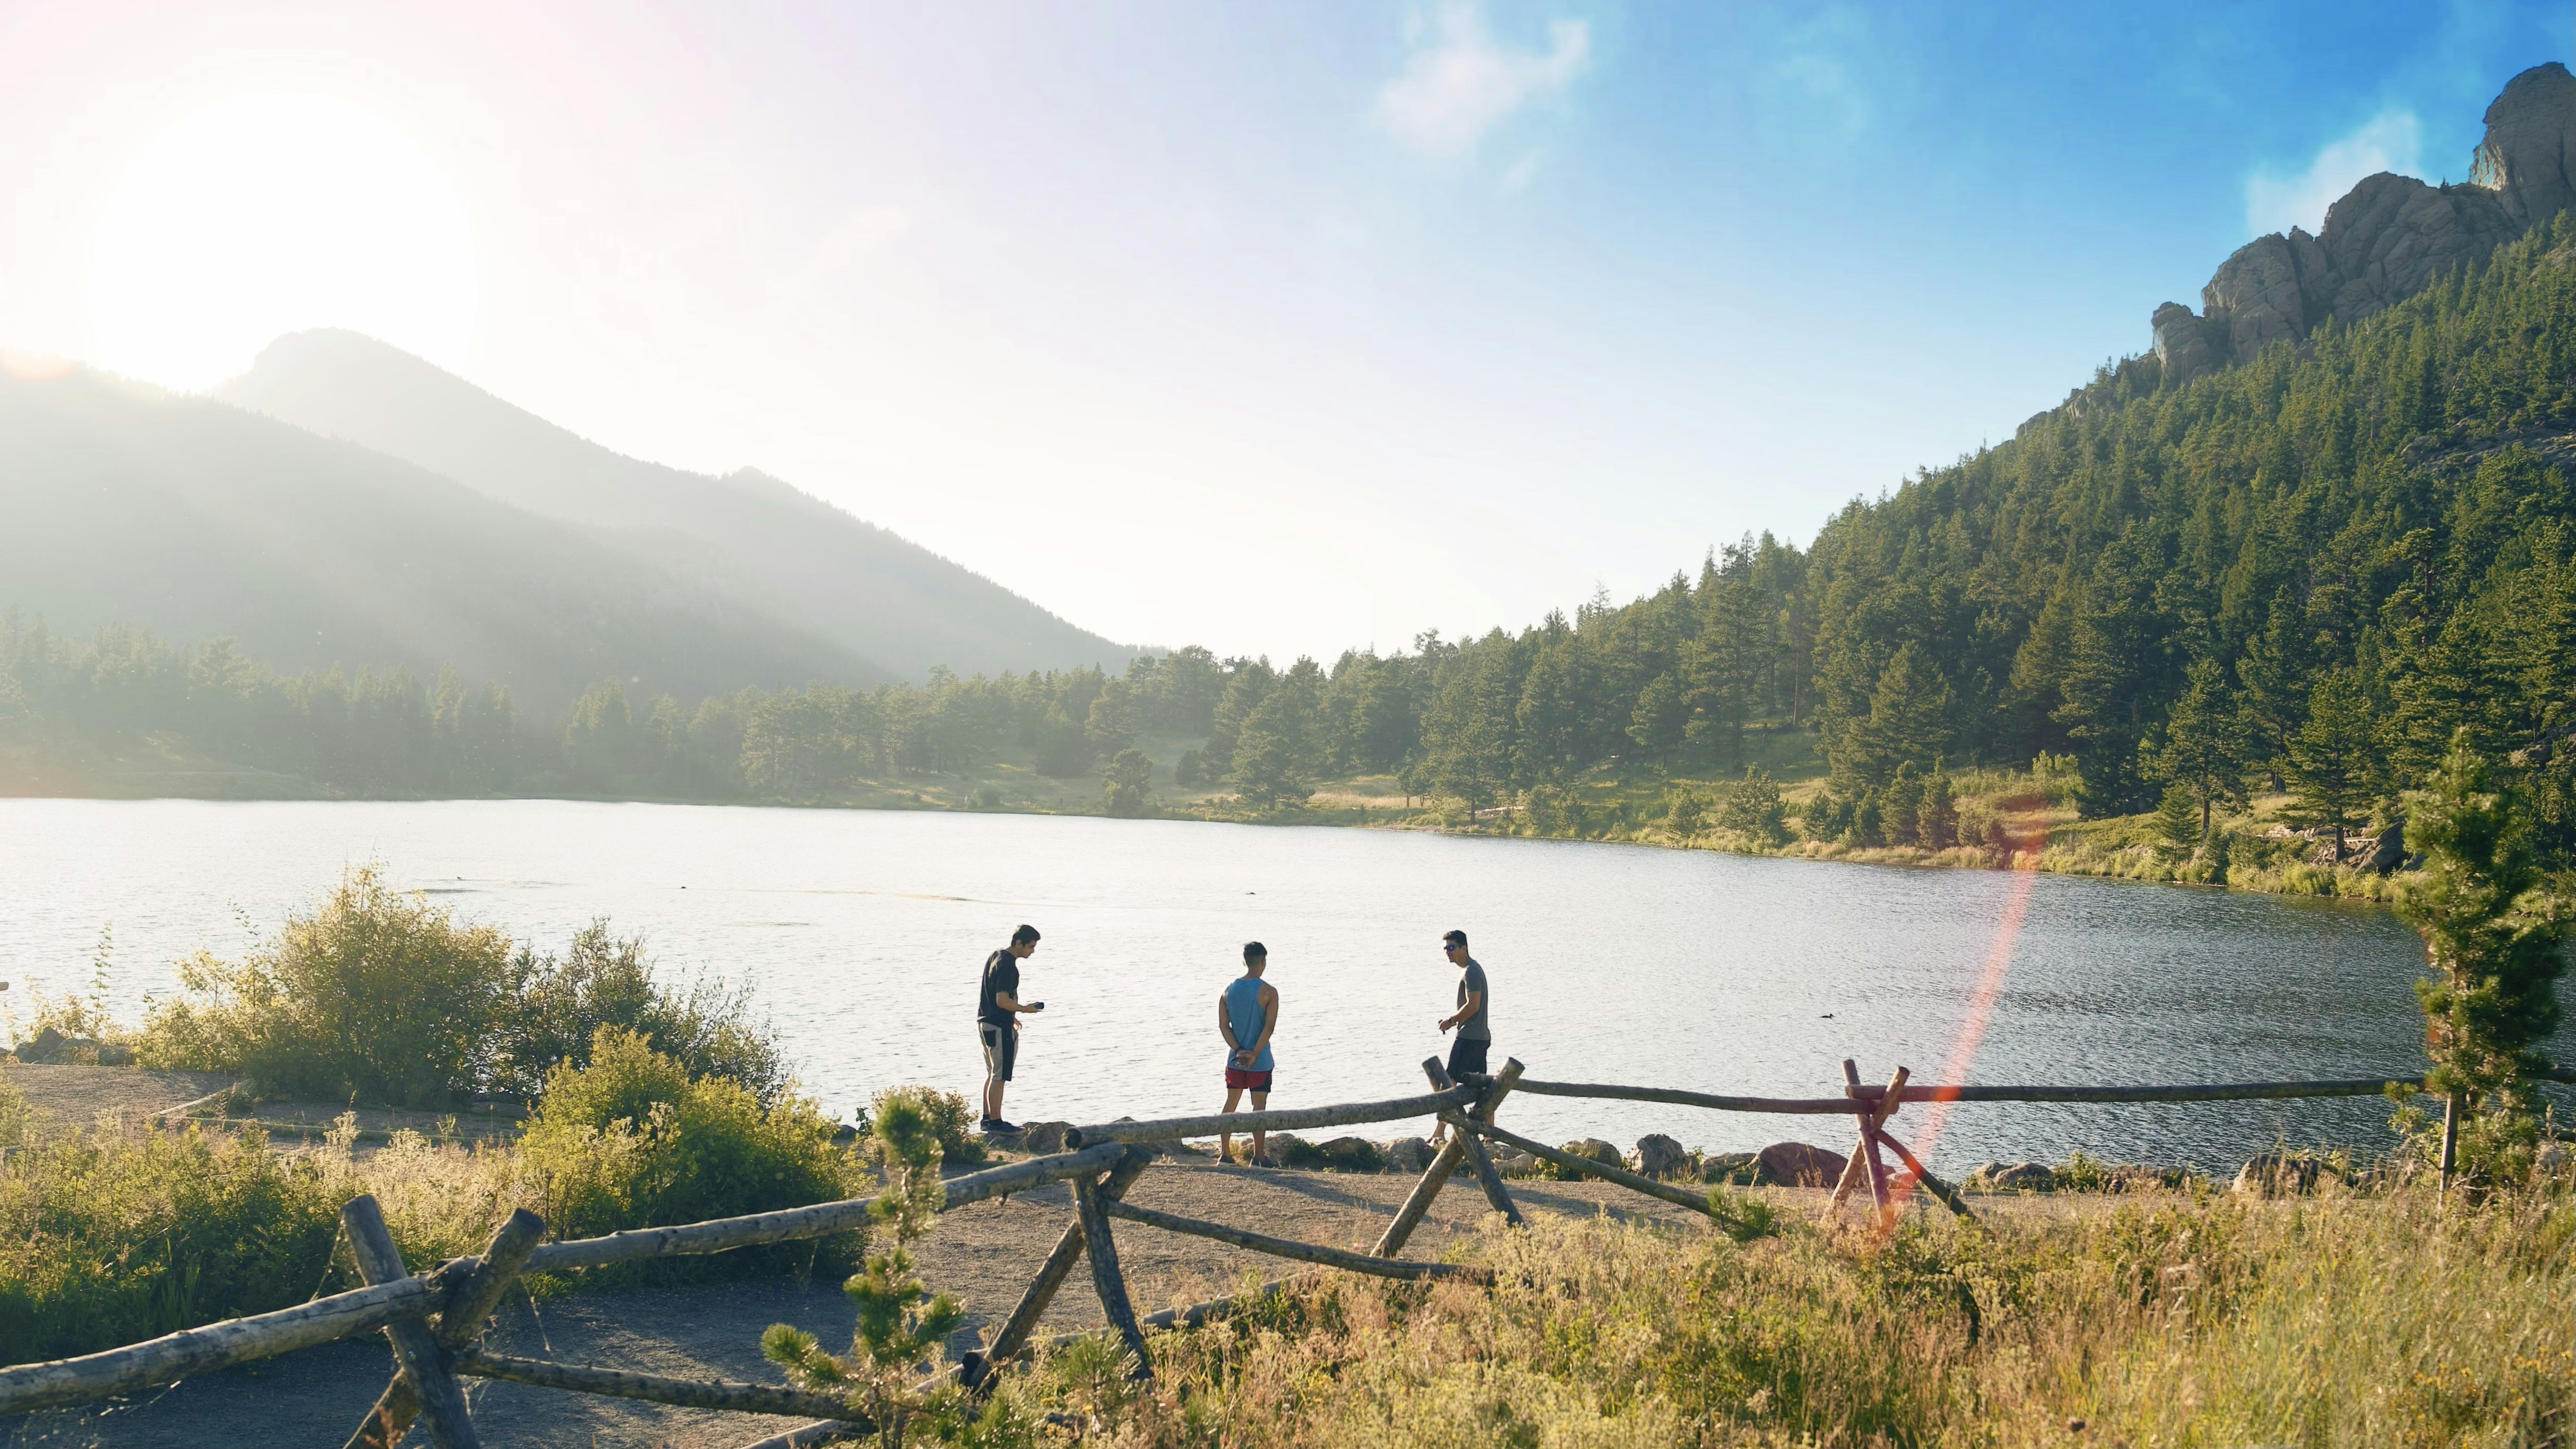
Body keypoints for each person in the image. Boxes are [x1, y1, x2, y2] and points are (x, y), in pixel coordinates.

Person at [1217, 941, 1280, 1165]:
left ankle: (1225, 1153)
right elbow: (1269, 1027)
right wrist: (1254, 1053)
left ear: (1244, 961)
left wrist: (1238, 1050)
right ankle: (1258, 1156)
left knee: (1230, 1104)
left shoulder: (1228, 991)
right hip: (1260, 1061)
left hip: (1235, 1061)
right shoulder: (1269, 992)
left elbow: (1224, 1025)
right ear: (1263, 961)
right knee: (1259, 1108)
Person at [978, 924, 1045, 1133]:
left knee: (992, 1073)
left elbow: (998, 996)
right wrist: (1025, 1009)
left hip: (985, 1022)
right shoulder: (1009, 966)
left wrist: (1013, 1016)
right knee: (1000, 1074)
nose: (1032, 952)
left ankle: (987, 1118)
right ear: (1019, 944)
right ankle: (996, 1123)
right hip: (999, 1027)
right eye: (1031, 947)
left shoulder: (996, 956)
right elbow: (1002, 1000)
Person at [1428, 928, 1489, 1146]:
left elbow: (1473, 1005)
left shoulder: (1471, 972)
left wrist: (1450, 1021)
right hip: (1479, 1037)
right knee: (1482, 1086)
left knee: (1449, 1082)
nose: (1448, 952)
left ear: (1464, 947)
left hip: (1469, 1037)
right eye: (1445, 948)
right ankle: (1488, 1134)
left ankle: (1439, 1132)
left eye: (1452, 948)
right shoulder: (1472, 970)